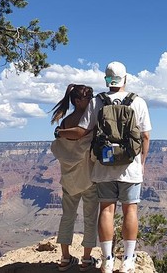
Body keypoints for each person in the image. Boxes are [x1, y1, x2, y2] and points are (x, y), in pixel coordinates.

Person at [57, 61, 151, 273]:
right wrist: (142, 163)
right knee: (130, 210)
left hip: (103, 166)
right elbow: (145, 136)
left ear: (107, 80)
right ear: (125, 79)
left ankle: (107, 260)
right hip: (130, 167)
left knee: (106, 210)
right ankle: (128, 260)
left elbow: (82, 131)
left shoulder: (97, 101)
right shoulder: (138, 102)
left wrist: (60, 132)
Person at [49, 84, 100, 272]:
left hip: (69, 179)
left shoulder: (64, 123)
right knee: (90, 218)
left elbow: (61, 146)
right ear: (77, 101)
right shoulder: (88, 122)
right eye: (88, 98)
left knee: (67, 217)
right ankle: (86, 260)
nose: (91, 100)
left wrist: (59, 132)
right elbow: (83, 135)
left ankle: (65, 258)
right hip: (88, 177)